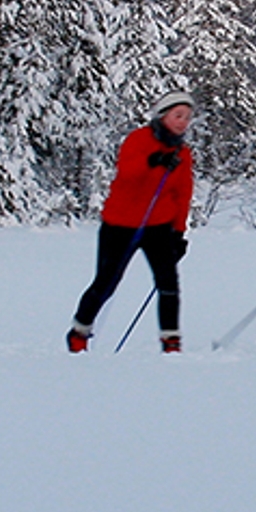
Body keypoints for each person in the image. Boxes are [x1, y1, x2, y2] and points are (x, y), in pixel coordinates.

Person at [69, 90, 202, 353]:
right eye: (178, 116)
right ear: (163, 116)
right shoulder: (139, 139)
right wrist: (153, 162)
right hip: (120, 224)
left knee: (168, 284)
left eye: (187, 118)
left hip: (159, 226)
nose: (183, 122)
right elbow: (127, 173)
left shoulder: (182, 153)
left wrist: (178, 233)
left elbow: (182, 194)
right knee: (106, 282)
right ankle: (79, 332)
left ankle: (171, 341)